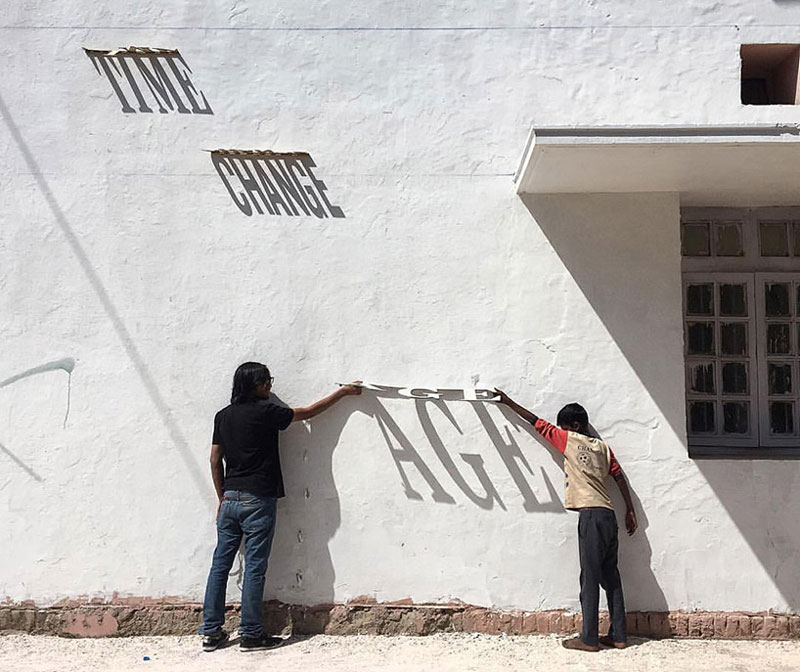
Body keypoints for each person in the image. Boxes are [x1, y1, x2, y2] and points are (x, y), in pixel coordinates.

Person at [200, 362, 361, 652]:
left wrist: (222, 497)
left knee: (220, 565)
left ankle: (211, 632)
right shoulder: (266, 412)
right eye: (266, 382)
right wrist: (343, 394)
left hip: (230, 500)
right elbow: (308, 413)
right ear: (255, 385)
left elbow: (214, 460)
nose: (270, 387)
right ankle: (250, 634)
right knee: (255, 567)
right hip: (258, 499)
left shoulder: (222, 417)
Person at [494, 390, 637, 652]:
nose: (560, 430)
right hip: (608, 515)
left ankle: (589, 638)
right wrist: (629, 510)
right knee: (611, 577)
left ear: (574, 426)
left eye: (564, 426)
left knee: (590, 578)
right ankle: (619, 635)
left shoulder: (567, 439)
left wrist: (507, 401)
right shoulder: (603, 448)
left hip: (591, 516)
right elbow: (618, 477)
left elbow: (536, 422)